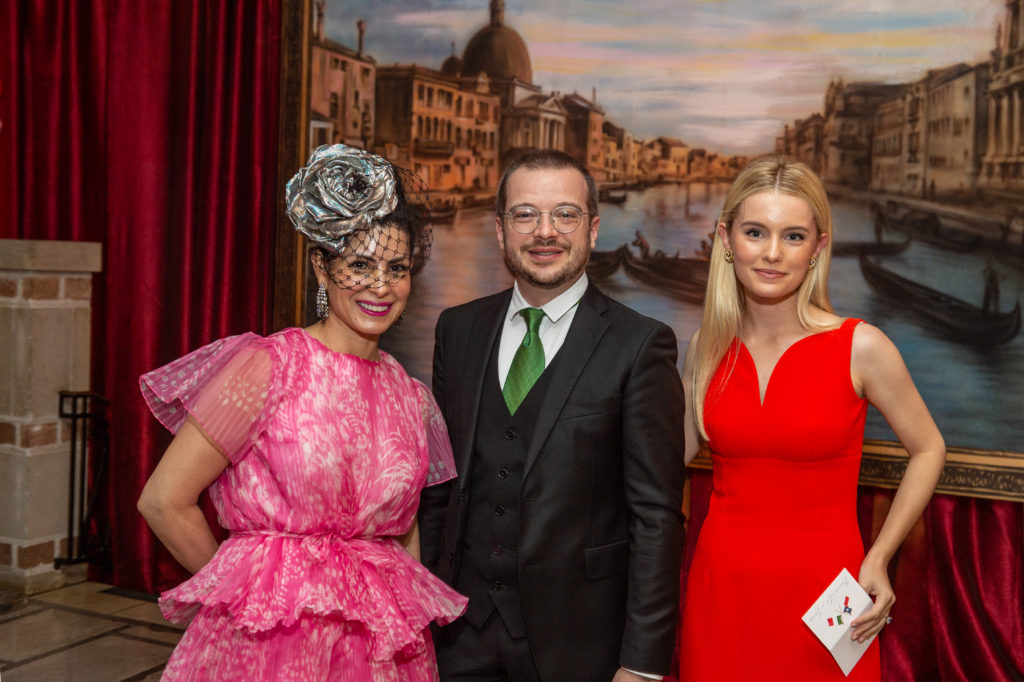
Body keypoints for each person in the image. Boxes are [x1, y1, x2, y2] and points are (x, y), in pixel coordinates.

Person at [137, 144, 467, 681]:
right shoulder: (268, 367)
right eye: (360, 264)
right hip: (268, 649)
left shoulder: (413, 397)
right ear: (322, 265)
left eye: (397, 268)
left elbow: (403, 535)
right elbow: (163, 500)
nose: (381, 286)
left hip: (380, 657)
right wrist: (245, 596)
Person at [419, 149, 686, 681]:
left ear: (592, 229)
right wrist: (423, 608)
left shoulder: (640, 346)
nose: (546, 231)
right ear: (500, 230)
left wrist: (642, 664)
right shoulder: (458, 330)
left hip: (580, 643)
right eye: (525, 214)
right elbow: (440, 490)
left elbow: (657, 517)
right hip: (458, 637)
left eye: (565, 214)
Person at [678, 155, 946, 681]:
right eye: (756, 232)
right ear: (726, 239)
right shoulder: (704, 348)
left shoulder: (860, 346)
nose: (773, 253)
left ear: (818, 247)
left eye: (794, 236)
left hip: (829, 600)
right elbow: (669, 460)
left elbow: (928, 449)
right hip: (720, 593)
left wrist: (880, 557)